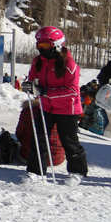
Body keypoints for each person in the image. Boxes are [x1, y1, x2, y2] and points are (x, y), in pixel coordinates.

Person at [24, 26, 88, 178]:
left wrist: (46, 92)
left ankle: (77, 172)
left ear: (57, 44)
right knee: (38, 138)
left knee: (68, 141)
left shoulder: (69, 65)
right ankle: (36, 171)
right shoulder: (37, 62)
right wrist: (29, 86)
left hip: (67, 109)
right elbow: (32, 80)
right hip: (46, 107)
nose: (41, 49)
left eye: (45, 45)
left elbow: (73, 91)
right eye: (39, 45)